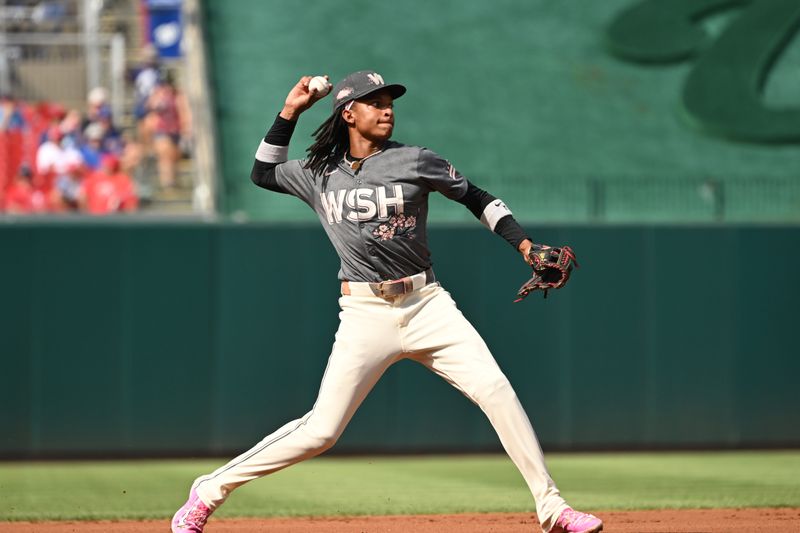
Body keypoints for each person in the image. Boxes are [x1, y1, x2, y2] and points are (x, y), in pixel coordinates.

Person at [171, 71, 604, 533]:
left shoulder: (415, 160)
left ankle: (552, 507)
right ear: (348, 112)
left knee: (496, 391)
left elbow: (477, 198)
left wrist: (524, 245)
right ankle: (209, 490)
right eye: (374, 102)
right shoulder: (318, 173)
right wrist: (290, 111)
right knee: (321, 431)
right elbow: (261, 172)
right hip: (364, 313)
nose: (387, 109)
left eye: (389, 101)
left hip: (426, 303)